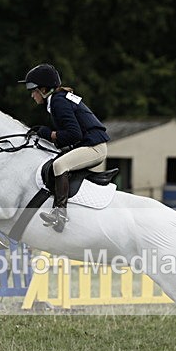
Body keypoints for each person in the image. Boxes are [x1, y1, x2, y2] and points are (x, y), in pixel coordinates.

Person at [18, 63, 110, 232]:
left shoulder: (58, 102)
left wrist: (48, 133)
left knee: (59, 165)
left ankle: (60, 213)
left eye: (33, 90)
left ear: (44, 90)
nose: (32, 95)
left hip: (94, 148)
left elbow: (74, 134)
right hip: (89, 144)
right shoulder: (59, 99)